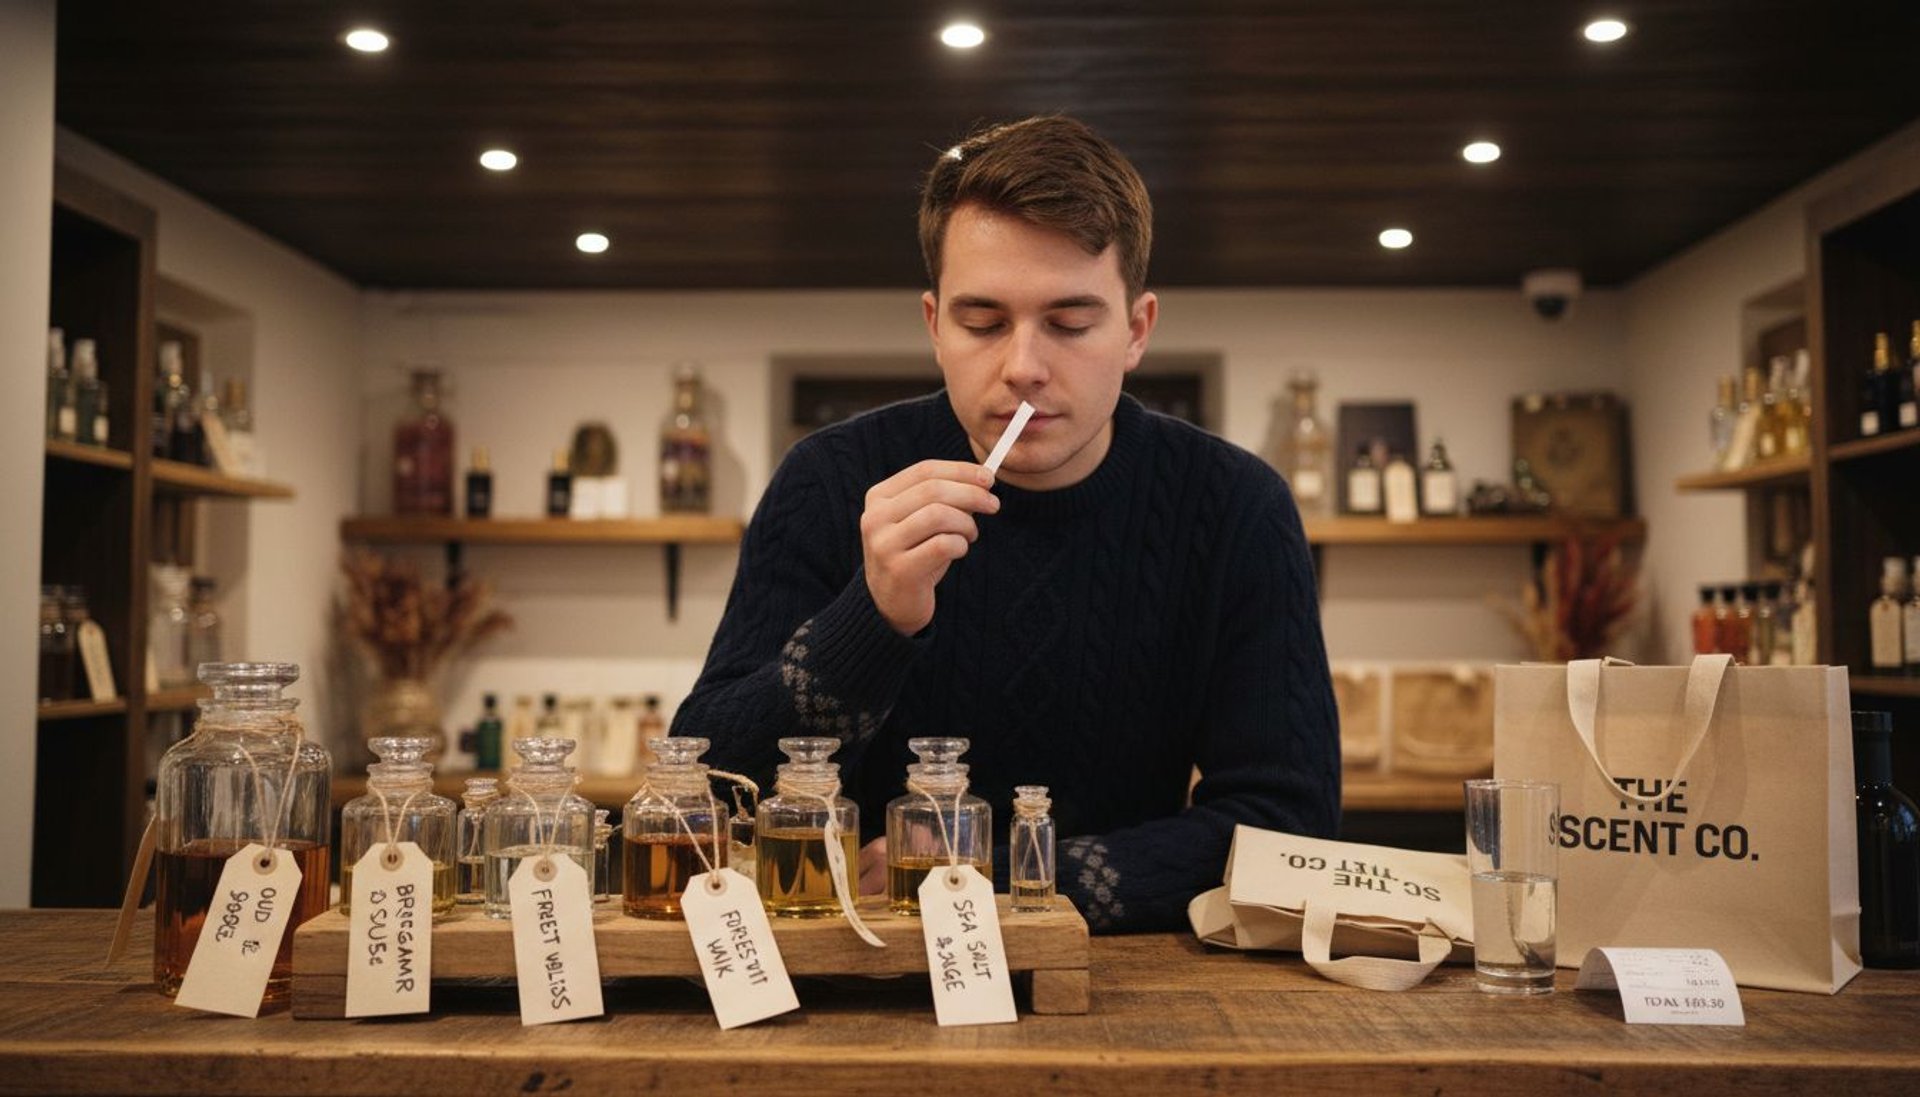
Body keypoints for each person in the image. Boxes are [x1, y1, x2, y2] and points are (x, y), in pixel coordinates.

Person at [675, 114, 1340, 931]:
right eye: (983, 322)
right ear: (934, 326)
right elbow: (706, 789)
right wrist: (874, 619)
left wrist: (1000, 877)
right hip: (871, 973)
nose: (1023, 365)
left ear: (1136, 330)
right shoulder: (830, 480)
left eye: (1070, 323)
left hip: (1126, 987)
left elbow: (1291, 828)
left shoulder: (1237, 506)